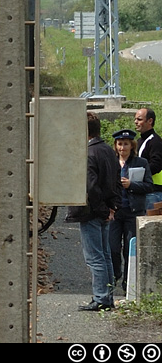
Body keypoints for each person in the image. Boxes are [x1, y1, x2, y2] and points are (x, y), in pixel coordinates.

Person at [66, 112, 120, 311]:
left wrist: (102, 210)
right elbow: (116, 180)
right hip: (106, 211)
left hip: (92, 212)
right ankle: (107, 296)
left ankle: (101, 298)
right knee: (105, 256)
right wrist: (112, 207)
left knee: (95, 257)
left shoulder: (87, 154)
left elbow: (90, 187)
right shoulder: (107, 150)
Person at [108, 128, 153, 294]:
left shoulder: (141, 163)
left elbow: (148, 185)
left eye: (125, 144)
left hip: (132, 211)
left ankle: (128, 284)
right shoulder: (111, 162)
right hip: (115, 211)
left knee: (129, 248)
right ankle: (115, 275)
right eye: (119, 144)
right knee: (112, 247)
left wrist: (131, 185)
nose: (122, 148)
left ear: (131, 145)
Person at [134, 108, 162, 209]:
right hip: (144, 190)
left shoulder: (155, 141)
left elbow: (156, 165)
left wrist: (136, 174)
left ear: (150, 121)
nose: (136, 122)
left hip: (154, 191)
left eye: (139, 119)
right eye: (135, 119)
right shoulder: (140, 140)